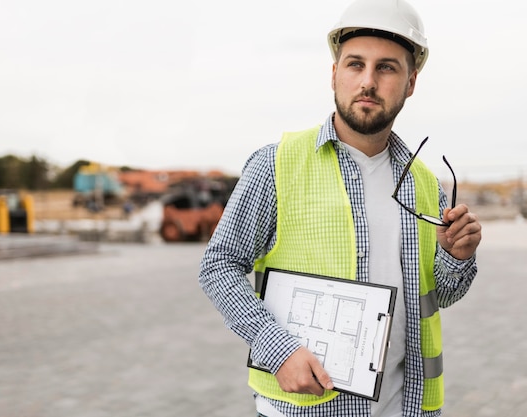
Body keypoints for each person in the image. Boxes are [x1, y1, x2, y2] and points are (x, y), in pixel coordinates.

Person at [198, 0, 482, 415]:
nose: (368, 81)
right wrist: (274, 348)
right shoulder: (278, 163)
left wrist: (457, 257)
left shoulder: (425, 185)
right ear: (334, 73)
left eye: (387, 67)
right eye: (355, 65)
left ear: (411, 82)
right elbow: (219, 264)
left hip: (407, 406)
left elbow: (443, 293)